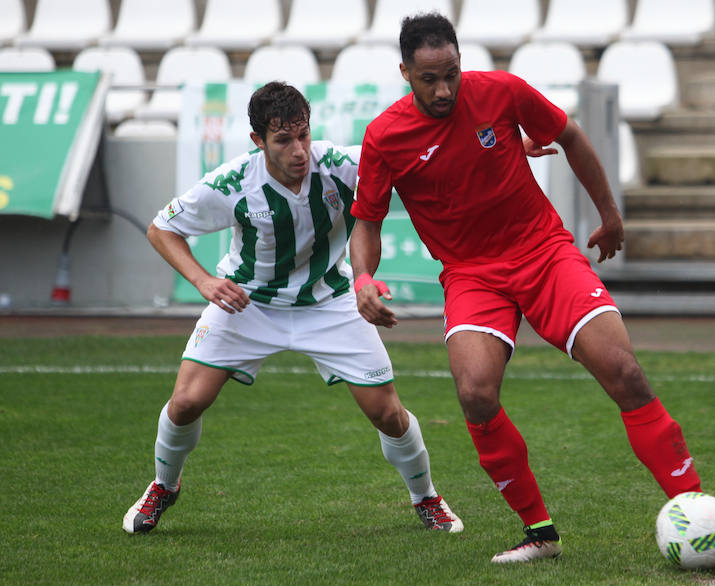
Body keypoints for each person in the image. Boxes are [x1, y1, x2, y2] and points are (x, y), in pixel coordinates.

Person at [349, 13, 715, 567]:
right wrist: (363, 277)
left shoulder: (500, 91)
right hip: (471, 273)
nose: (444, 88)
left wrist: (610, 214)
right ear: (405, 72)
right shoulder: (384, 136)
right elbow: (367, 220)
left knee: (625, 374)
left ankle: (709, 524)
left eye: (451, 73)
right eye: (429, 78)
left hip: (543, 252)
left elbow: (567, 135)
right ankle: (539, 532)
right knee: (475, 393)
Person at [122, 81, 462, 536]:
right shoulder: (233, 183)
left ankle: (427, 498)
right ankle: (164, 485)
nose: (299, 149)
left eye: (303, 134)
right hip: (249, 305)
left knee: (388, 414)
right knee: (186, 403)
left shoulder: (341, 166)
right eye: (283, 140)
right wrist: (204, 280)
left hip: (329, 301)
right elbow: (162, 228)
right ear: (258, 141)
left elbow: (426, 156)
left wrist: (511, 145)